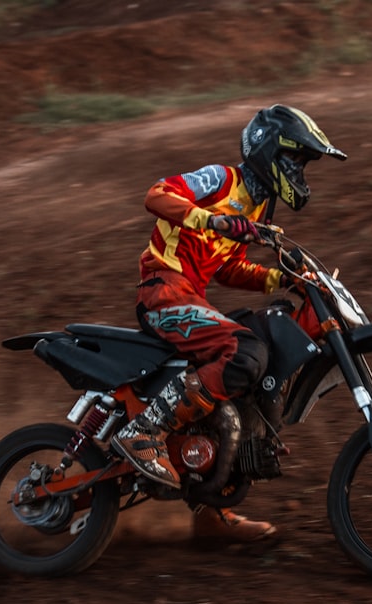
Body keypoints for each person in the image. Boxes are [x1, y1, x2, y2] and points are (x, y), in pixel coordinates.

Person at [110, 104, 346, 542]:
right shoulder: (222, 181)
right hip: (163, 290)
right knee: (244, 352)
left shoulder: (257, 211)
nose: (300, 173)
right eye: (296, 161)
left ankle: (208, 507)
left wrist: (283, 278)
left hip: (192, 298)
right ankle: (144, 431)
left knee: (259, 366)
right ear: (271, 151)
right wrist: (211, 217)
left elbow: (228, 268)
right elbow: (156, 195)